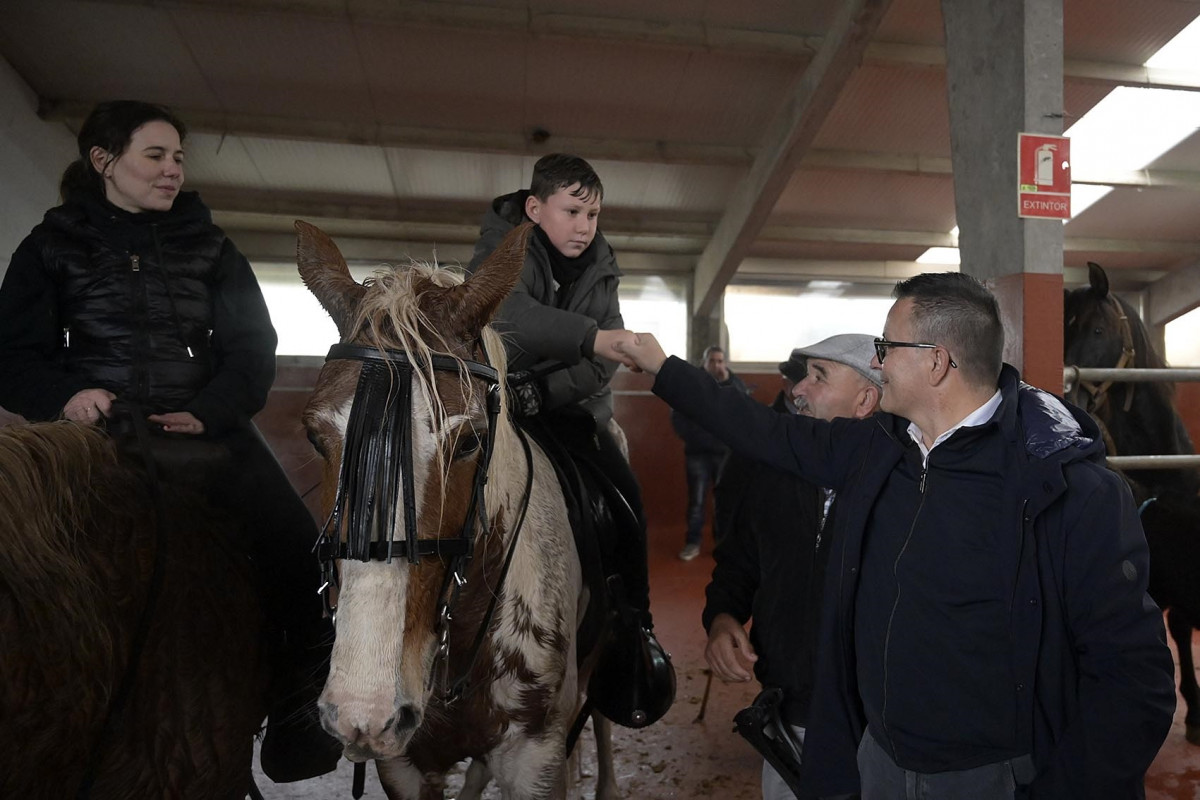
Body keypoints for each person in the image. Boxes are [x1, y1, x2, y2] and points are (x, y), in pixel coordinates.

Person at [617, 272, 1175, 799]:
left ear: (937, 363)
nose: (877, 361)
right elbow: (762, 431)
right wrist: (661, 366)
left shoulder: (1068, 489)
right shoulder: (878, 452)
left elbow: (1133, 679)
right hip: (878, 761)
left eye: (887, 347)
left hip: (992, 777)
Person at [0, 100, 340, 783]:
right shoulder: (50, 244)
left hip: (205, 431)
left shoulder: (212, 246)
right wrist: (66, 398)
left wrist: (211, 411)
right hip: (92, 435)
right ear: (104, 161)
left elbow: (251, 349)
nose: (171, 170)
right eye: (155, 155)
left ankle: (299, 712)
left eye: (178, 157)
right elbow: (15, 353)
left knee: (298, 552)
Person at [467, 153, 673, 725]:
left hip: (571, 411)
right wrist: (594, 338)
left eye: (594, 214)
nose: (585, 226)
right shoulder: (499, 250)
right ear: (535, 209)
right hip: (500, 407)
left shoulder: (602, 264)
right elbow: (505, 315)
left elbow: (598, 370)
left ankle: (635, 628)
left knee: (628, 503)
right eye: (573, 211)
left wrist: (550, 391)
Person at [706, 335, 880, 800]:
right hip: (789, 715)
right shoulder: (769, 469)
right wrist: (722, 617)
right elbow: (740, 561)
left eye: (819, 377)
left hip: (877, 730)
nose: (797, 390)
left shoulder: (901, 485)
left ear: (866, 399)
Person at [673, 344, 748, 561]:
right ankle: (692, 542)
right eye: (712, 361)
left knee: (724, 500)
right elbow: (678, 416)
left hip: (724, 453)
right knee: (696, 500)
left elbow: (745, 407)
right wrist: (698, 437)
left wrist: (728, 381)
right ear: (704, 363)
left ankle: (722, 544)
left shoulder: (733, 383)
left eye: (720, 361)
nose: (716, 365)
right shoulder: (692, 383)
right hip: (697, 453)